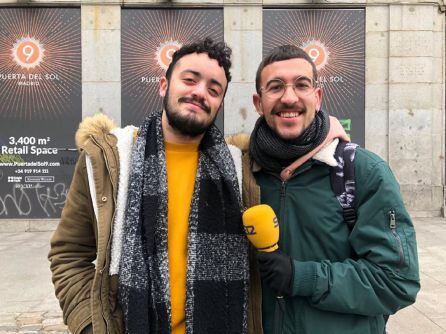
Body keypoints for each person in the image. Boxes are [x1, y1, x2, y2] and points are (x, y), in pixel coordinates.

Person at [48, 38, 249, 334]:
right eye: (190, 79)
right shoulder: (110, 160)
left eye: (213, 89)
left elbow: (292, 139)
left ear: (219, 103)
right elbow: (68, 255)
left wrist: (328, 136)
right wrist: (91, 326)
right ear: (164, 85)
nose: (199, 92)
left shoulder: (237, 168)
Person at [227, 45, 420, 334]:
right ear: (258, 102)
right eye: (276, 87)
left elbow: (397, 282)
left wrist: (303, 277)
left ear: (317, 97)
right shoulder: (238, 174)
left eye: (301, 85)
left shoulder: (362, 171)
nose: (289, 97)